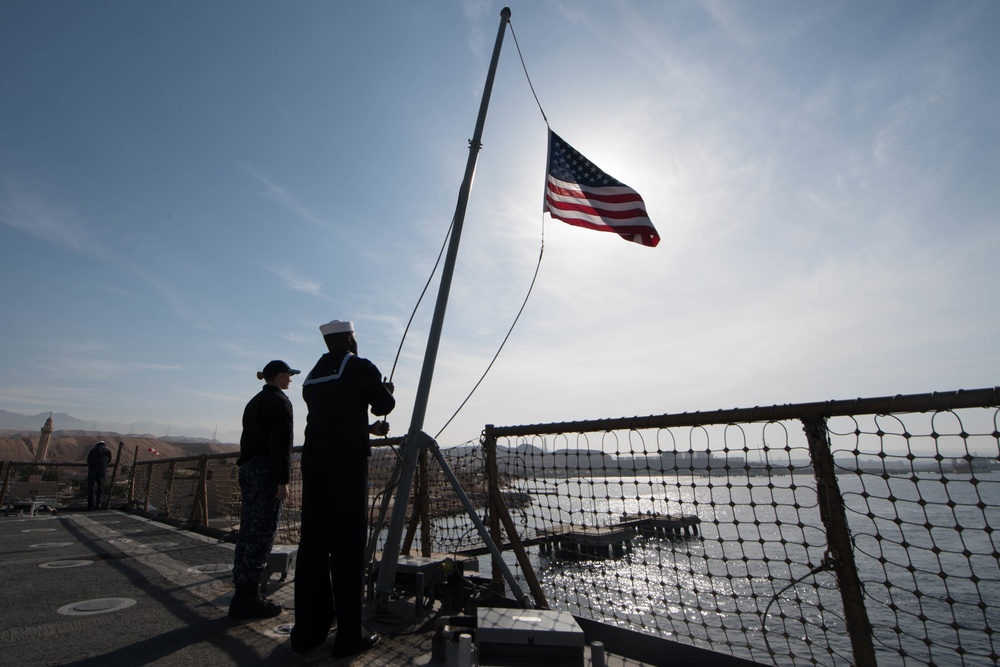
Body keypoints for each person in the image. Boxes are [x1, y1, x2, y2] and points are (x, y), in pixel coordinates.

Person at [291, 320, 395, 658]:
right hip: (346, 466)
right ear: (350, 339)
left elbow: (333, 418)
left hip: (314, 464)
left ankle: (308, 631)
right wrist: (387, 392)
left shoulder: (313, 374)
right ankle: (350, 636)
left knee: (314, 547)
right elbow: (383, 404)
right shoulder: (359, 366)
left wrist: (366, 426)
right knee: (347, 547)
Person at [229, 359, 299, 620]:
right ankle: (248, 598)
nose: (291, 379)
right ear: (280, 376)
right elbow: (281, 445)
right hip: (266, 472)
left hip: (248, 469)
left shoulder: (255, 401)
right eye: (289, 375)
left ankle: (241, 590)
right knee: (262, 531)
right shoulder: (280, 402)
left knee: (247, 528)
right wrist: (283, 480)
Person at [86, 440, 112, 510]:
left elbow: (88, 460)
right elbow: (109, 460)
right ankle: (98, 504)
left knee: (91, 486)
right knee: (100, 486)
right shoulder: (107, 451)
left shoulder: (92, 451)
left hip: (92, 469)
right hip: (102, 469)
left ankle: (90, 505)